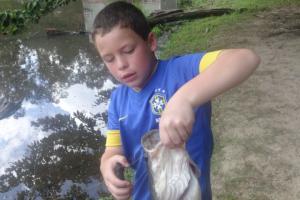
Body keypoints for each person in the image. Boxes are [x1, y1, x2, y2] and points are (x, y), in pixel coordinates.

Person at [92, 1, 260, 200]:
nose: (121, 65)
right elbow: (113, 150)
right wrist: (107, 164)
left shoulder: (182, 72)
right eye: (109, 59)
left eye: (128, 50)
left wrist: (184, 99)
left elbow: (245, 58)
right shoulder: (117, 100)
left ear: (151, 42)